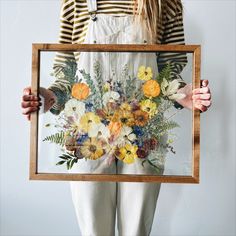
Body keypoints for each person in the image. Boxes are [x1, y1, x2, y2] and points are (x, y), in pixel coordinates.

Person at [21, 0, 212, 235]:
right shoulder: (76, 3)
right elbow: (67, 76)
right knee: (94, 229)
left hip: (144, 134)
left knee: (136, 230)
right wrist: (47, 97)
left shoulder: (166, 3)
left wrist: (185, 95)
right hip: (88, 135)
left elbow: (168, 72)